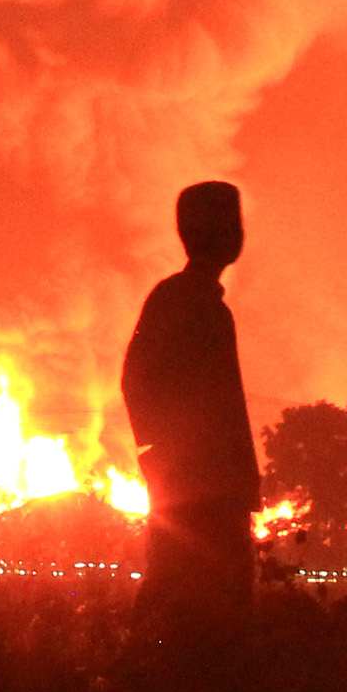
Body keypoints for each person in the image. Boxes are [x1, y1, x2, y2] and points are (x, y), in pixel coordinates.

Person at [120, 180, 261, 643]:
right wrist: (156, 453)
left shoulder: (204, 306)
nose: (237, 234)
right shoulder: (180, 301)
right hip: (194, 483)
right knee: (182, 586)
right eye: (229, 224)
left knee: (206, 594)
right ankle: (146, 679)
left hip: (214, 482)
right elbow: (136, 380)